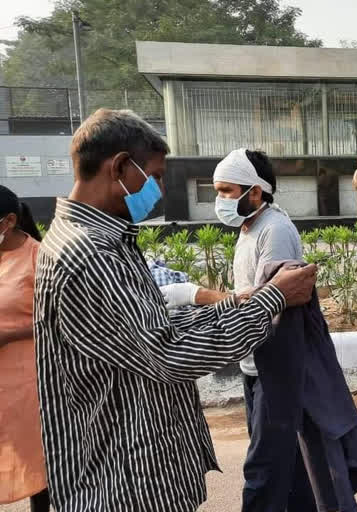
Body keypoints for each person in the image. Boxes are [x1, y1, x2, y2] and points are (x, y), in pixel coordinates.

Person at [33, 108, 317, 512]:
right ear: (119, 168)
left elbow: (155, 326)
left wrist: (237, 303)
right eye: (156, 176)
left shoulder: (101, 241)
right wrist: (271, 299)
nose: (160, 189)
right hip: (124, 483)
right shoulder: (91, 254)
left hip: (134, 470)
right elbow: (167, 353)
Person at [211, 148, 308, 511]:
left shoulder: (275, 230)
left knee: (262, 466)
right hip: (255, 361)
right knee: (287, 458)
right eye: (217, 191)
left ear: (255, 191)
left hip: (274, 363)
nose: (220, 200)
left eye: (226, 191)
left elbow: (272, 302)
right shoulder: (250, 227)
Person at [0, 186, 48, 512]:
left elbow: (62, 322)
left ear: (10, 220)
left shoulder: (40, 258)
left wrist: (10, 334)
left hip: (29, 387)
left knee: (36, 469)